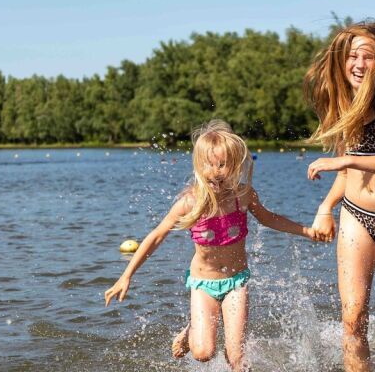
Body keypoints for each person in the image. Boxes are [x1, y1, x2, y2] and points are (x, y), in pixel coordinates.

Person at [104, 120, 321, 371]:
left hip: (236, 282)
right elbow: (156, 237)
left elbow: (270, 218)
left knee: (236, 358)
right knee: (204, 353)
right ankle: (190, 332)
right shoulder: (190, 203)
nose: (216, 172)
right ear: (199, 165)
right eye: (209, 164)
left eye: (223, 165)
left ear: (236, 165)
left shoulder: (243, 196)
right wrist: (126, 276)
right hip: (203, 285)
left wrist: (306, 231)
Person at [303, 22, 375, 371]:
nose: (358, 63)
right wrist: (326, 207)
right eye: (352, 56)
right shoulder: (343, 106)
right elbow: (345, 174)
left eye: (366, 56)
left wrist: (349, 159)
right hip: (355, 216)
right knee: (353, 317)